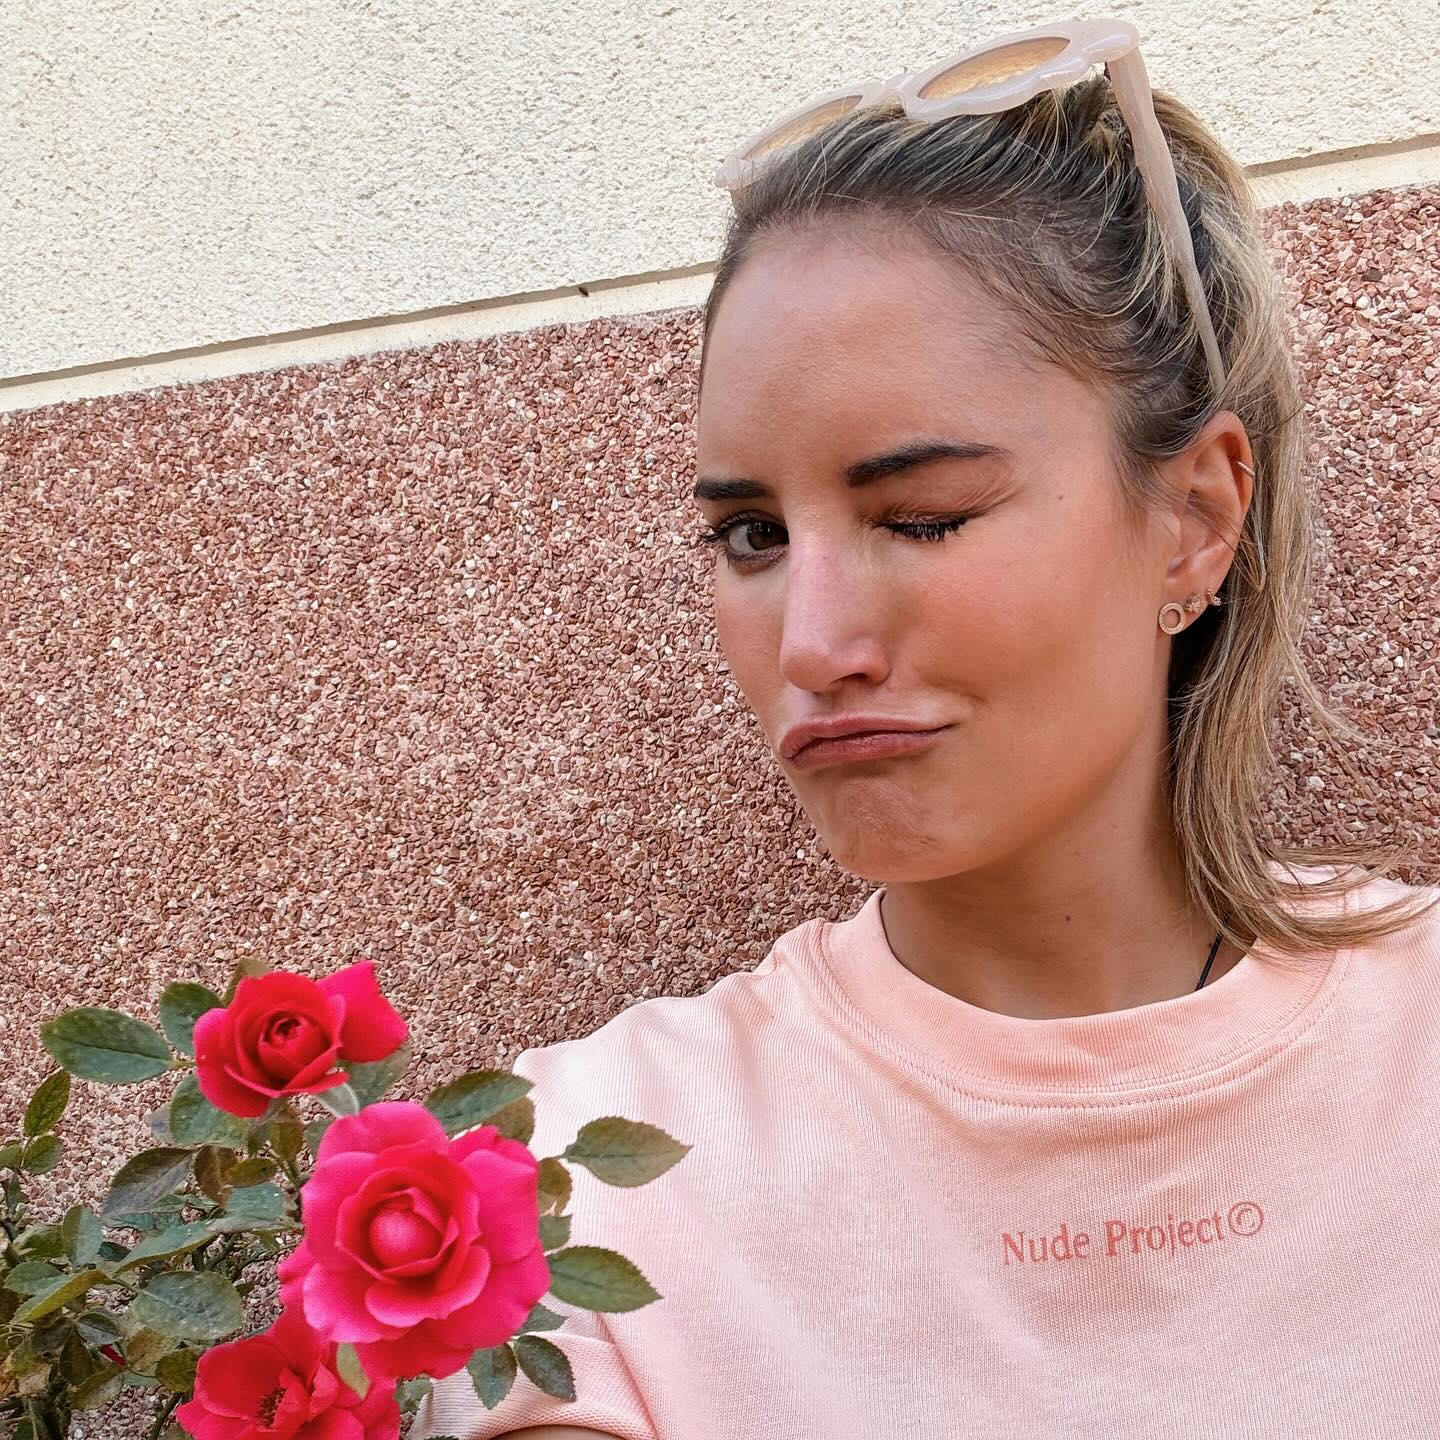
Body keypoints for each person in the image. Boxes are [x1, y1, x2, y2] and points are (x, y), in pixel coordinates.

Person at [414, 31, 1440, 1440]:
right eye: (752, 535)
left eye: (921, 516)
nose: (812, 645)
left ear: (1196, 519)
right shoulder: (588, 1168)